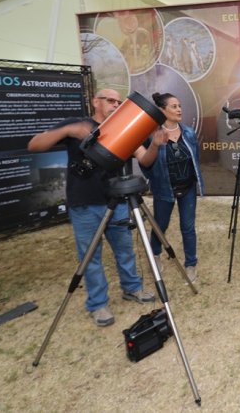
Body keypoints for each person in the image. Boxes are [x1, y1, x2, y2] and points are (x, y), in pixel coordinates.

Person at [27, 89, 160, 327]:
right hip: (85, 203)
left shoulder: (125, 130)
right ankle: (98, 304)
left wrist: (156, 145)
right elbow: (34, 145)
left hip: (117, 201)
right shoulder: (77, 125)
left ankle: (132, 288)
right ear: (95, 102)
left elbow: (145, 160)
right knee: (90, 257)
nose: (115, 105)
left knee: (125, 250)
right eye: (110, 100)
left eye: (119, 102)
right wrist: (68, 131)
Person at [139, 92, 204, 282]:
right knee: (161, 226)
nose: (179, 109)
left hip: (188, 188)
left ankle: (191, 265)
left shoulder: (189, 132)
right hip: (164, 189)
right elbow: (146, 164)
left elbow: (195, 159)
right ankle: (155, 255)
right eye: (174, 106)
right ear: (162, 110)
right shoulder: (152, 136)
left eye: (180, 106)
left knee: (188, 227)